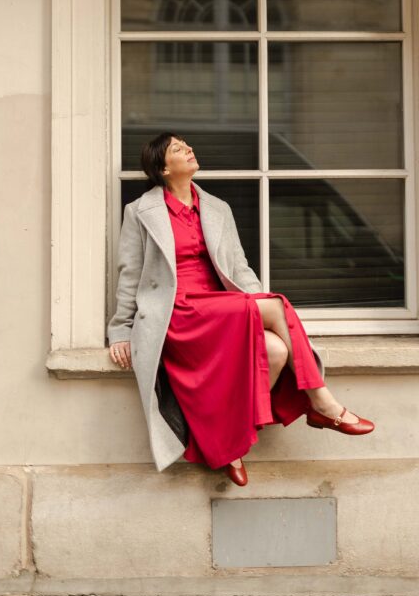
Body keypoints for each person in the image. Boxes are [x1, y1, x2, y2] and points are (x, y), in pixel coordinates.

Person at [107, 132, 374, 486]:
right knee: (277, 306)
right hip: (177, 313)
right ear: (163, 168)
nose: (188, 149)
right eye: (177, 149)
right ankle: (323, 404)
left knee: (276, 348)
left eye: (187, 144)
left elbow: (240, 269)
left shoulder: (217, 209)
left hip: (218, 307)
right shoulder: (140, 212)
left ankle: (231, 441)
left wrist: (253, 303)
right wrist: (121, 329)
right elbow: (129, 274)